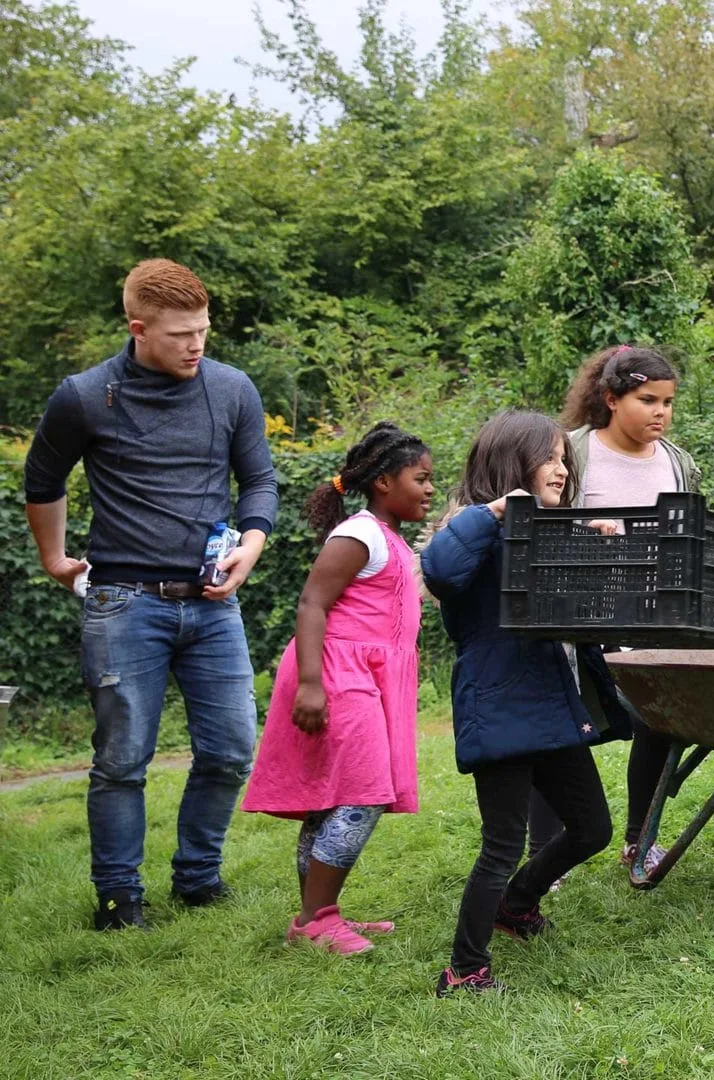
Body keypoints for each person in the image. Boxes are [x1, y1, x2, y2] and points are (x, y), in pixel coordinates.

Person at [23, 258, 278, 931]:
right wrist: (55, 559)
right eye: (180, 335)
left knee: (229, 749)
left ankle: (197, 879)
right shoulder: (85, 395)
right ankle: (119, 899)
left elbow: (259, 481)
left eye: (203, 331)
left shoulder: (231, 390)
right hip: (122, 602)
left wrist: (251, 545)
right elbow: (42, 478)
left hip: (214, 604)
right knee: (122, 761)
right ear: (139, 330)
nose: (196, 345)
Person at [421, 410, 631, 996]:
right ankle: (464, 969)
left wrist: (600, 541)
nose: (562, 469)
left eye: (566, 458)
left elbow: (587, 611)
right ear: (512, 463)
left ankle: (517, 904)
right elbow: (439, 571)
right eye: (550, 457)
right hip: (498, 704)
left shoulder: (545, 531)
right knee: (502, 843)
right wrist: (491, 512)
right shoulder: (474, 528)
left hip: (550, 704)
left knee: (591, 827)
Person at [240, 423, 433, 954]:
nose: (430, 488)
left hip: (366, 676)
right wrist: (310, 684)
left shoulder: (387, 537)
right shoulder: (361, 533)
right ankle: (316, 919)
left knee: (333, 798)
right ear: (384, 482)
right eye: (421, 478)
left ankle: (318, 913)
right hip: (339, 674)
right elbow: (311, 605)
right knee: (363, 794)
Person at [552, 344, 699, 888]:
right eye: (647, 400)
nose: (661, 412)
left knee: (656, 723)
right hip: (577, 617)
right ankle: (549, 852)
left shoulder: (676, 461)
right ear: (610, 399)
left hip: (652, 618)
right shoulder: (571, 453)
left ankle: (641, 835)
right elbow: (543, 522)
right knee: (561, 730)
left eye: (668, 402)